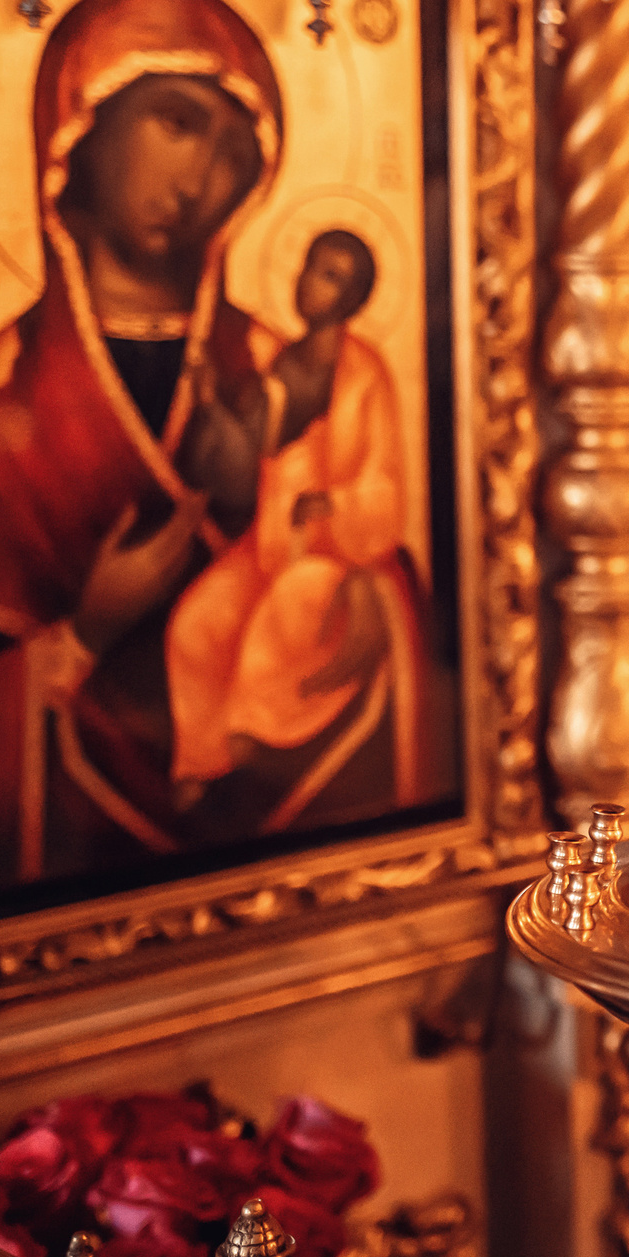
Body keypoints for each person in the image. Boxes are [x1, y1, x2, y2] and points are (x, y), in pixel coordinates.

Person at [0, 0, 403, 903]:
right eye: (176, 122)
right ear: (76, 130)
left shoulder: (290, 372)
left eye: (233, 149)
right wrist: (83, 635)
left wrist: (376, 606)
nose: (202, 177)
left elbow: (381, 546)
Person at [164, 230, 420, 821]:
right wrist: (211, 404)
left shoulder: (365, 375)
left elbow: (384, 486)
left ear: (354, 296)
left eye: (331, 276)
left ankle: (248, 733)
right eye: (310, 267)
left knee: (283, 611)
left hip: (335, 555)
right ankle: (198, 757)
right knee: (198, 619)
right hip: (270, 543)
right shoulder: (276, 360)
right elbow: (245, 457)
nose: (311, 283)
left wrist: (332, 504)